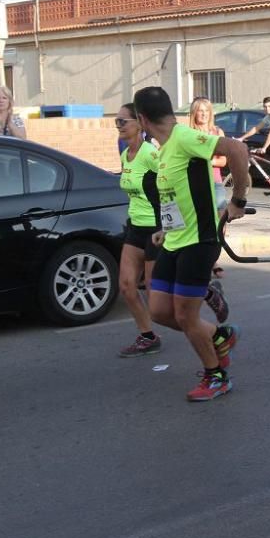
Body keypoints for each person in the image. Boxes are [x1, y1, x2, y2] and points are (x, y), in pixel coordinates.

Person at [133, 86, 251, 402]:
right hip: (174, 241)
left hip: (200, 241)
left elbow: (238, 151)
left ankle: (216, 376)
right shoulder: (165, 148)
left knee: (186, 317)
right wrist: (165, 230)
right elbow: (177, 198)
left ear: (142, 119)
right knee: (158, 311)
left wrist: (238, 199)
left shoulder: (184, 138)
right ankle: (221, 335)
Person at [114, 103, 163, 357]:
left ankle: (206, 292)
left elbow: (170, 184)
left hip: (156, 228)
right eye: (117, 122)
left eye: (124, 121)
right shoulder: (125, 155)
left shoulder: (149, 154)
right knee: (126, 286)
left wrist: (170, 224)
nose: (119, 126)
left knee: (156, 296)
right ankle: (148, 336)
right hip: (135, 227)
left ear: (139, 124)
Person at [188, 97, 228, 208]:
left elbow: (223, 161)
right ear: (194, 113)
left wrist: (207, 161)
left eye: (207, 111)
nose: (204, 114)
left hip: (215, 182)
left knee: (221, 214)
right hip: (194, 183)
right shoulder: (188, 134)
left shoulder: (218, 132)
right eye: (200, 111)